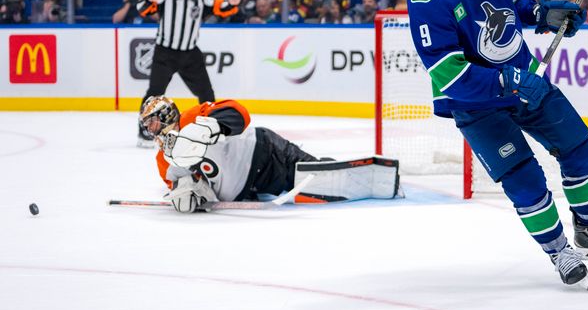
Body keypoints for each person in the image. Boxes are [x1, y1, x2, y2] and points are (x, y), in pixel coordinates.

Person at [406, 0, 588, 287]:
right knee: (524, 178)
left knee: (578, 145)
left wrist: (546, 14)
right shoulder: (426, 0)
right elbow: (449, 75)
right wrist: (504, 80)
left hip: (525, 79)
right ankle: (560, 251)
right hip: (475, 103)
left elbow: (514, 6)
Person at [138, 96, 400, 212]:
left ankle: (366, 178)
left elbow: (239, 113)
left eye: (152, 123)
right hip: (246, 190)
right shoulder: (163, 160)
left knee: (317, 178)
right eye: (146, 126)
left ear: (165, 115)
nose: (151, 130)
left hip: (265, 153)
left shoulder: (193, 117)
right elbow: (187, 188)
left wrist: (213, 126)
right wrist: (191, 196)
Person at [134, 0, 241, 146]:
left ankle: (211, 128)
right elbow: (142, 8)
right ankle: (144, 131)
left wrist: (232, 2)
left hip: (190, 54)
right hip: (165, 53)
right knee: (154, 93)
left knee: (206, 93)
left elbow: (220, 6)